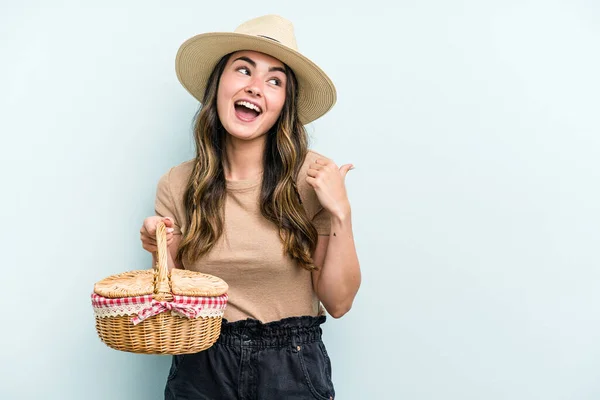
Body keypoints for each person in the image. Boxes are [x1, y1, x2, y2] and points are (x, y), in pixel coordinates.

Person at [139, 14, 361, 400]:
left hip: (291, 366)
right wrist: (165, 252)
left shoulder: (314, 177)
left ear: (283, 104)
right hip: (201, 365)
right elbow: (170, 316)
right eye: (244, 70)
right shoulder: (176, 184)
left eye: (274, 80)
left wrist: (341, 212)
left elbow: (339, 303)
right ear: (218, 85)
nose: (256, 87)